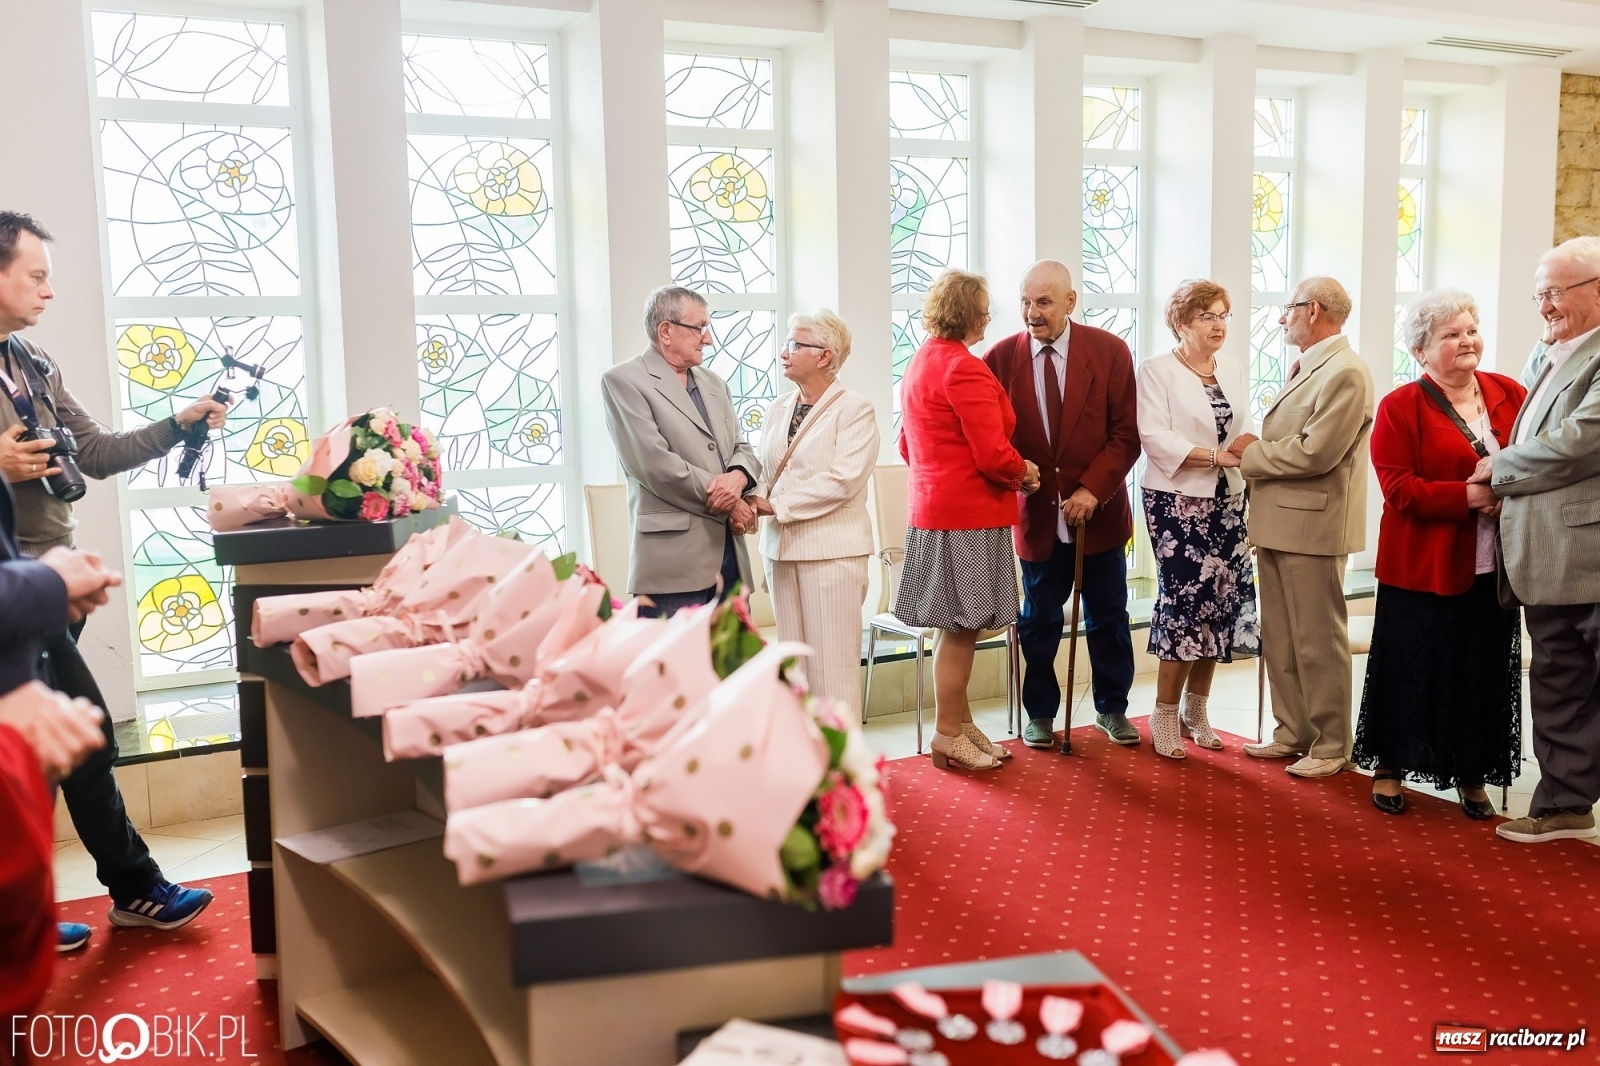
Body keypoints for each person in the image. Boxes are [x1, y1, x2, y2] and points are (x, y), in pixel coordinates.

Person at [0, 212, 220, 939]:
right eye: (36, 275)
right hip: (15, 591)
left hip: (52, 589)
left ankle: (22, 915)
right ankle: (135, 887)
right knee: (86, 739)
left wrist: (178, 425)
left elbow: (91, 452)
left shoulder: (31, 362)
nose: (48, 291)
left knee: (41, 753)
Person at [1353, 289, 1524, 818]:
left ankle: (1473, 776)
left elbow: (1537, 458)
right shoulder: (1399, 406)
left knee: (1480, 672)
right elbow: (1399, 489)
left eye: (1470, 330)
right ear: (1421, 352)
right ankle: (1390, 769)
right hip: (1421, 568)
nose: (1466, 341)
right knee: (1413, 670)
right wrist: (1473, 497)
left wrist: (1509, 488)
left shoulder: (1509, 392)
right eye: (1450, 335)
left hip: (1492, 568)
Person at [1469, 235, 1600, 843]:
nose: (1543, 306)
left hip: (1591, 553)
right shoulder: (1546, 352)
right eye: (1539, 294)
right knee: (1557, 681)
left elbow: (1579, 441)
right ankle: (1564, 806)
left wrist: (1498, 471)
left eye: (1554, 293)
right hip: (1544, 554)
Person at [983, 260, 1140, 754]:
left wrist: (1093, 489)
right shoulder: (1000, 358)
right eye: (1026, 302)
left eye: (1044, 302)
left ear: (1071, 302)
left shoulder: (1110, 352)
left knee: (1108, 615)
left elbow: (1125, 435)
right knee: (1039, 620)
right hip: (1035, 518)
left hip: (1099, 515)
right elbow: (990, 438)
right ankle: (1041, 714)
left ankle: (1112, 707)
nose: (1032, 313)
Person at [897, 268, 1040, 771]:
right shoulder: (964, 368)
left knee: (953, 627)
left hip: (933, 511)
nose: (989, 315)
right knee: (963, 628)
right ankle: (947, 734)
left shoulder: (920, 362)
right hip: (968, 516)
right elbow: (992, 454)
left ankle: (958, 720)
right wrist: (1025, 472)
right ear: (971, 313)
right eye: (985, 307)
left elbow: (906, 447)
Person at [1233, 276, 1374, 778]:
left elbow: (1317, 452)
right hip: (1277, 523)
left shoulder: (1346, 372)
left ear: (1312, 310)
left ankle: (1332, 743)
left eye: (1287, 308)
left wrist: (1250, 453)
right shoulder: (1313, 366)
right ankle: (1292, 731)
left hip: (1315, 525)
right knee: (1282, 637)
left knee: (1317, 640)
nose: (1280, 318)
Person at [1135, 280, 1260, 759]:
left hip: (1229, 499)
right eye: (1207, 316)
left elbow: (1246, 425)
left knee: (1222, 599)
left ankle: (1196, 708)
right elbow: (1153, 435)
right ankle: (1163, 712)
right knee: (1186, 603)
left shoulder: (1230, 367)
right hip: (1176, 501)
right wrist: (1214, 456)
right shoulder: (1156, 370)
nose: (1218, 324)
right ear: (1181, 323)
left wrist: (1247, 448)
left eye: (1224, 314)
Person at [745, 310, 879, 718]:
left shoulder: (855, 409)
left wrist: (774, 506)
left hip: (832, 553)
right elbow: (767, 471)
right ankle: (804, 767)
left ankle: (843, 771)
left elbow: (843, 480)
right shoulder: (778, 407)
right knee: (795, 671)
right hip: (782, 551)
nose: (783, 353)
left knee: (832, 670)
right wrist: (750, 498)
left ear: (824, 356)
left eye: (794, 345)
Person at [601, 285, 762, 618]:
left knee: (735, 669)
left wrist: (738, 476)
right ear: (666, 330)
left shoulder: (714, 382)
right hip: (672, 566)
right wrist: (732, 504)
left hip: (731, 561)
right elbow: (656, 466)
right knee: (674, 671)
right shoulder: (623, 381)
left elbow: (741, 447)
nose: (708, 339)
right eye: (700, 327)